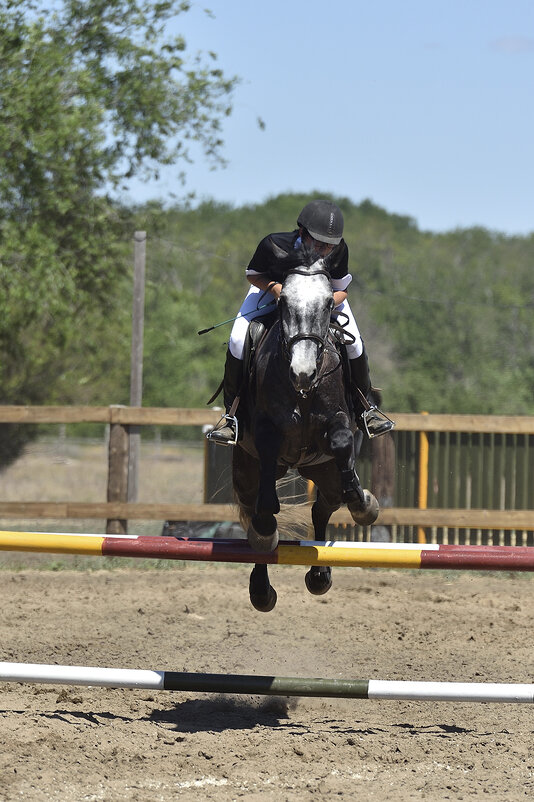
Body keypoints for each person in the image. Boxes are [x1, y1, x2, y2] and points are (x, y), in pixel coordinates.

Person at [209, 199, 385, 444]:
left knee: (354, 343)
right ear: (302, 232)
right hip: (271, 291)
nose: (325, 250)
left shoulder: (339, 250)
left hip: (321, 299)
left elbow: (342, 290)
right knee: (238, 339)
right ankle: (232, 417)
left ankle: (367, 410)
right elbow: (253, 275)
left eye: (330, 246)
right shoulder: (274, 244)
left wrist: (320, 305)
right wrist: (278, 290)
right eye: (320, 243)